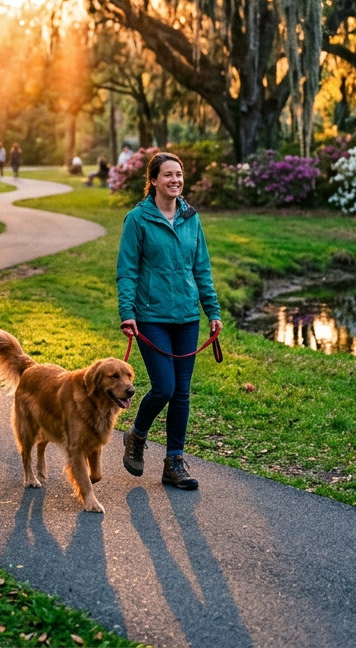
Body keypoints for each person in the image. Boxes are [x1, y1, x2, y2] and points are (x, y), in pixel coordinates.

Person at [116, 151, 222, 490]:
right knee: (164, 387)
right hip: (151, 316)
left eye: (179, 174)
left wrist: (213, 311)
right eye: (168, 175)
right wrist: (127, 313)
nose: (175, 180)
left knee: (182, 393)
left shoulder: (191, 217)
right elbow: (127, 270)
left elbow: (202, 268)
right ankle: (137, 436)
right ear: (154, 180)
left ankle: (174, 461)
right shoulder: (138, 219)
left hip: (187, 316)